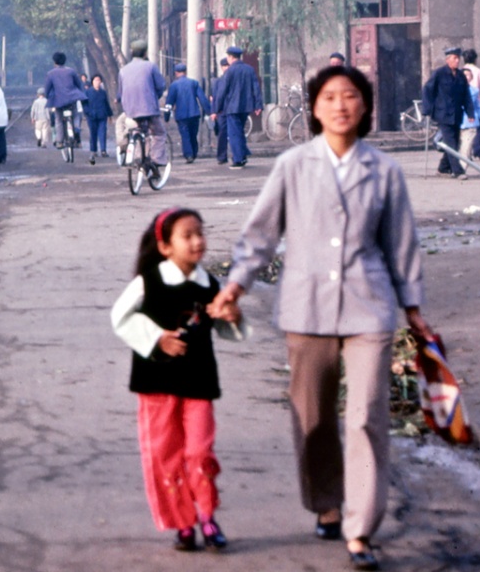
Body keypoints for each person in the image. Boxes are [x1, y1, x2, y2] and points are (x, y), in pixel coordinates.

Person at [211, 65, 433, 572]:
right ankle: (327, 503)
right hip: (306, 307)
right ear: (314, 108)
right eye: (329, 97)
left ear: (364, 106)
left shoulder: (385, 170)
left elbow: (402, 244)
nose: (340, 105)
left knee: (366, 415)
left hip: (369, 306)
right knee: (312, 416)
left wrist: (414, 309)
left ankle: (360, 529)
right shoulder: (292, 165)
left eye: (350, 96)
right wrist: (234, 286)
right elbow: (261, 234)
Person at [110, 207, 231, 553]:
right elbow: (120, 317)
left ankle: (207, 515)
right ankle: (182, 522)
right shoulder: (149, 281)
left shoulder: (209, 284)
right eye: (187, 235)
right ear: (165, 247)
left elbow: (223, 327)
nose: (197, 241)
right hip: (156, 382)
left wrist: (230, 315)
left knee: (199, 450)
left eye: (200, 233)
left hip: (198, 380)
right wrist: (156, 338)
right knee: (165, 454)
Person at [422, 46, 474, 179]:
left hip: (457, 113)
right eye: (455, 58)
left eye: (458, 58)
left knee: (454, 142)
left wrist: (470, 113)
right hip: (442, 113)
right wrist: (427, 109)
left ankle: (443, 168)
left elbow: (466, 96)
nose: (457, 61)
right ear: (448, 60)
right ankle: (458, 171)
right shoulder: (439, 73)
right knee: (451, 142)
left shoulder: (461, 75)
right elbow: (427, 90)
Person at [119, 40, 168, 171]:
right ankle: (156, 159)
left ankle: (138, 157)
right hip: (149, 108)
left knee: (137, 131)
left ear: (131, 53)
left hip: (130, 110)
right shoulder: (151, 66)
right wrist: (154, 97)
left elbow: (121, 91)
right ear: (145, 53)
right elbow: (161, 86)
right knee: (158, 133)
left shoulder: (123, 70)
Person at [210, 46, 262, 169]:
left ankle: (238, 159)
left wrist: (216, 109)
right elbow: (256, 88)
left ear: (230, 57)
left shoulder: (230, 71)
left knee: (234, 133)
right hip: (246, 107)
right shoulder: (249, 69)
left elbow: (222, 91)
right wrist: (258, 105)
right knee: (240, 131)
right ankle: (243, 155)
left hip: (232, 107)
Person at [166, 63, 211, 163]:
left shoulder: (174, 85)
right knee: (193, 134)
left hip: (181, 115)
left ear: (176, 73)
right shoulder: (194, 83)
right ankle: (194, 152)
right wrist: (208, 111)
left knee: (185, 135)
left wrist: (166, 116)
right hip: (194, 113)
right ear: (185, 72)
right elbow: (202, 98)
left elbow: (169, 102)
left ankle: (189, 155)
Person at [43, 52, 87, 147]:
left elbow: (47, 89)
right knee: (75, 115)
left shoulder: (50, 74)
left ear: (55, 62)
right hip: (72, 98)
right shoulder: (71, 71)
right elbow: (79, 84)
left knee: (58, 119)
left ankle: (59, 141)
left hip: (59, 101)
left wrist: (47, 97)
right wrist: (82, 95)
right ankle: (76, 128)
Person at [462, 49, 480, 160]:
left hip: (463, 104)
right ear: (475, 59)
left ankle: (466, 152)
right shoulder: (478, 71)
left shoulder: (460, 71)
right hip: (476, 102)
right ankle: (478, 152)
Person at [458, 68, 480, 169]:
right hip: (457, 122)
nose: (466, 77)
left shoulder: (474, 90)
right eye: (464, 75)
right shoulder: (455, 89)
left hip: (470, 122)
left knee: (466, 147)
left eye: (468, 75)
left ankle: (462, 168)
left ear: (471, 77)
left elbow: (477, 106)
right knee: (458, 147)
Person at [85, 74, 114, 162]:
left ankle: (103, 150)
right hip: (92, 116)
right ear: (92, 82)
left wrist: (109, 115)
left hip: (102, 115)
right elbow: (84, 104)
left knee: (102, 133)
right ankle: (93, 150)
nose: (97, 82)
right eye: (95, 80)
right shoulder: (88, 92)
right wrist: (87, 113)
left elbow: (106, 104)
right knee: (93, 133)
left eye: (99, 80)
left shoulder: (103, 92)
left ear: (101, 82)